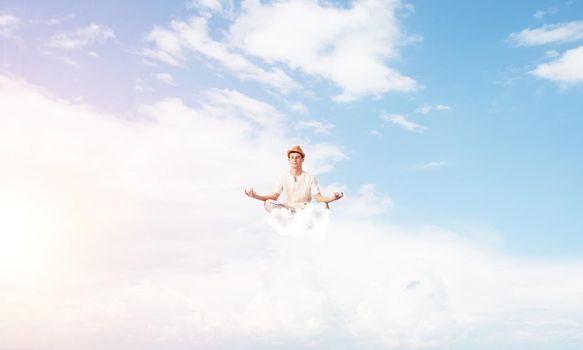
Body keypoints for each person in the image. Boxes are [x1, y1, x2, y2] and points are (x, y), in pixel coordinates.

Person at [245, 145, 344, 213]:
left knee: (324, 205)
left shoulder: (310, 177)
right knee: (268, 203)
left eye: (297, 157)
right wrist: (256, 196)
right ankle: (291, 220)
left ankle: (309, 223)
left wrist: (333, 198)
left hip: (305, 209)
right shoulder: (282, 177)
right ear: (289, 160)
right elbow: (274, 197)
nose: (294, 160)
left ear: (302, 159)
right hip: (287, 209)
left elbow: (318, 198)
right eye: (292, 157)